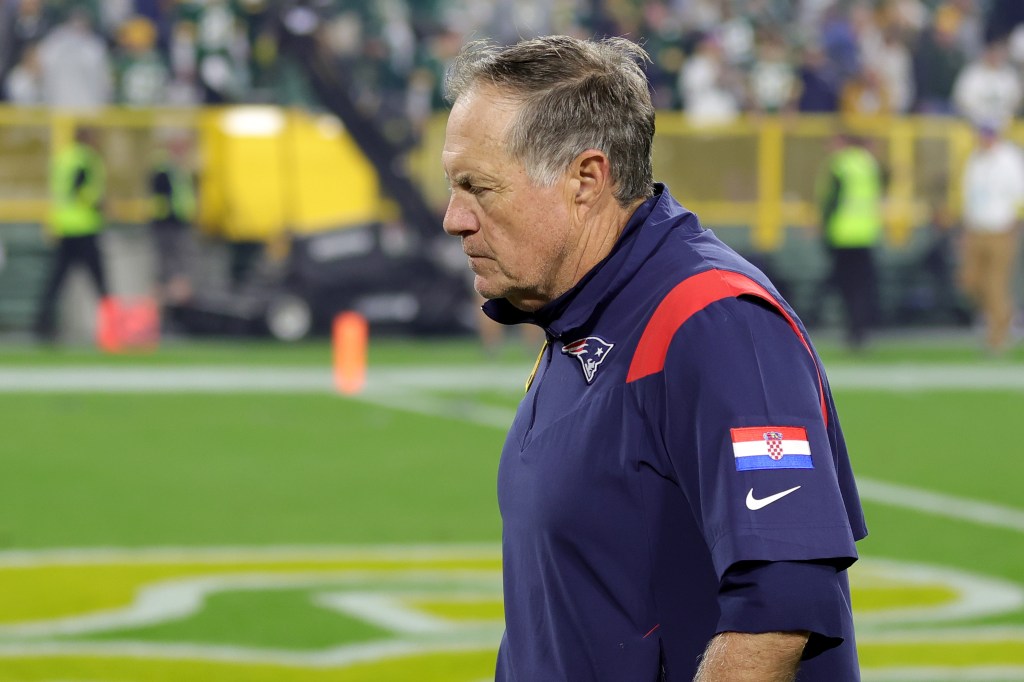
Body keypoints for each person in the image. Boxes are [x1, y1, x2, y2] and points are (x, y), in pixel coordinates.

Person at [441, 35, 866, 681]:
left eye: (479, 187)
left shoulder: (714, 323)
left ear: (586, 178)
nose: (454, 218)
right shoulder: (582, 311)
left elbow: (779, 610)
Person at [34, 126, 109, 342]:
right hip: (83, 227)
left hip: (65, 227)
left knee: (57, 281)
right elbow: (81, 190)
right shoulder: (84, 159)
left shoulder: (64, 158)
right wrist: (99, 204)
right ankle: (112, 327)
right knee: (100, 281)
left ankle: (42, 324)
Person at [958, 120, 1024, 354]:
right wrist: (966, 230)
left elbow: (1019, 193)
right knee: (971, 281)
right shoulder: (975, 159)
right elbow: (969, 196)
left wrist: (1013, 225)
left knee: (996, 283)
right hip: (977, 228)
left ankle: (997, 337)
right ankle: (1004, 318)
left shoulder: (1009, 159)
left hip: (1000, 228)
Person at [815, 131, 885, 350]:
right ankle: (861, 330)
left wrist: (822, 226)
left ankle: (852, 331)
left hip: (843, 234)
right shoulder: (868, 163)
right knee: (862, 286)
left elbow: (832, 200)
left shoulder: (840, 164)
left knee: (845, 286)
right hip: (866, 233)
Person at [149, 131, 197, 310]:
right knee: (171, 269)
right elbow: (162, 200)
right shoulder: (165, 170)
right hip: (168, 225)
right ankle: (168, 309)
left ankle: (174, 307)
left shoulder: (179, 170)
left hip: (178, 224)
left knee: (176, 268)